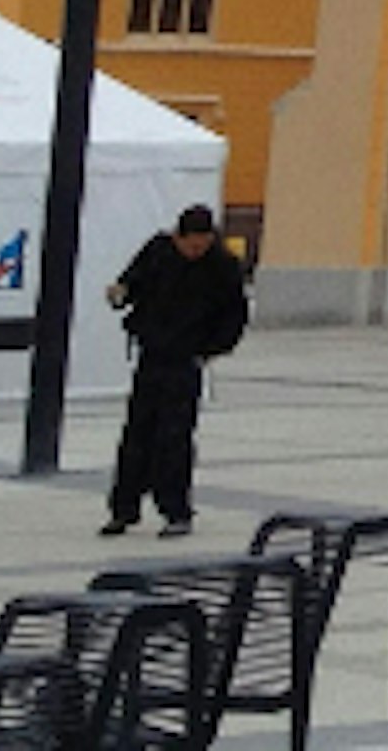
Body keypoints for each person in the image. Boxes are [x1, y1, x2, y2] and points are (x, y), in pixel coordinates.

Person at [101, 204, 248, 540]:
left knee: (175, 437)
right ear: (178, 238)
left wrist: (214, 349)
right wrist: (119, 294)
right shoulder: (158, 251)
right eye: (191, 245)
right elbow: (130, 285)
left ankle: (176, 511)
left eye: (203, 244)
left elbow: (235, 313)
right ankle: (123, 510)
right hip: (152, 354)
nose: (196, 251)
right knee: (137, 433)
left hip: (186, 359)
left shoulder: (222, 265)